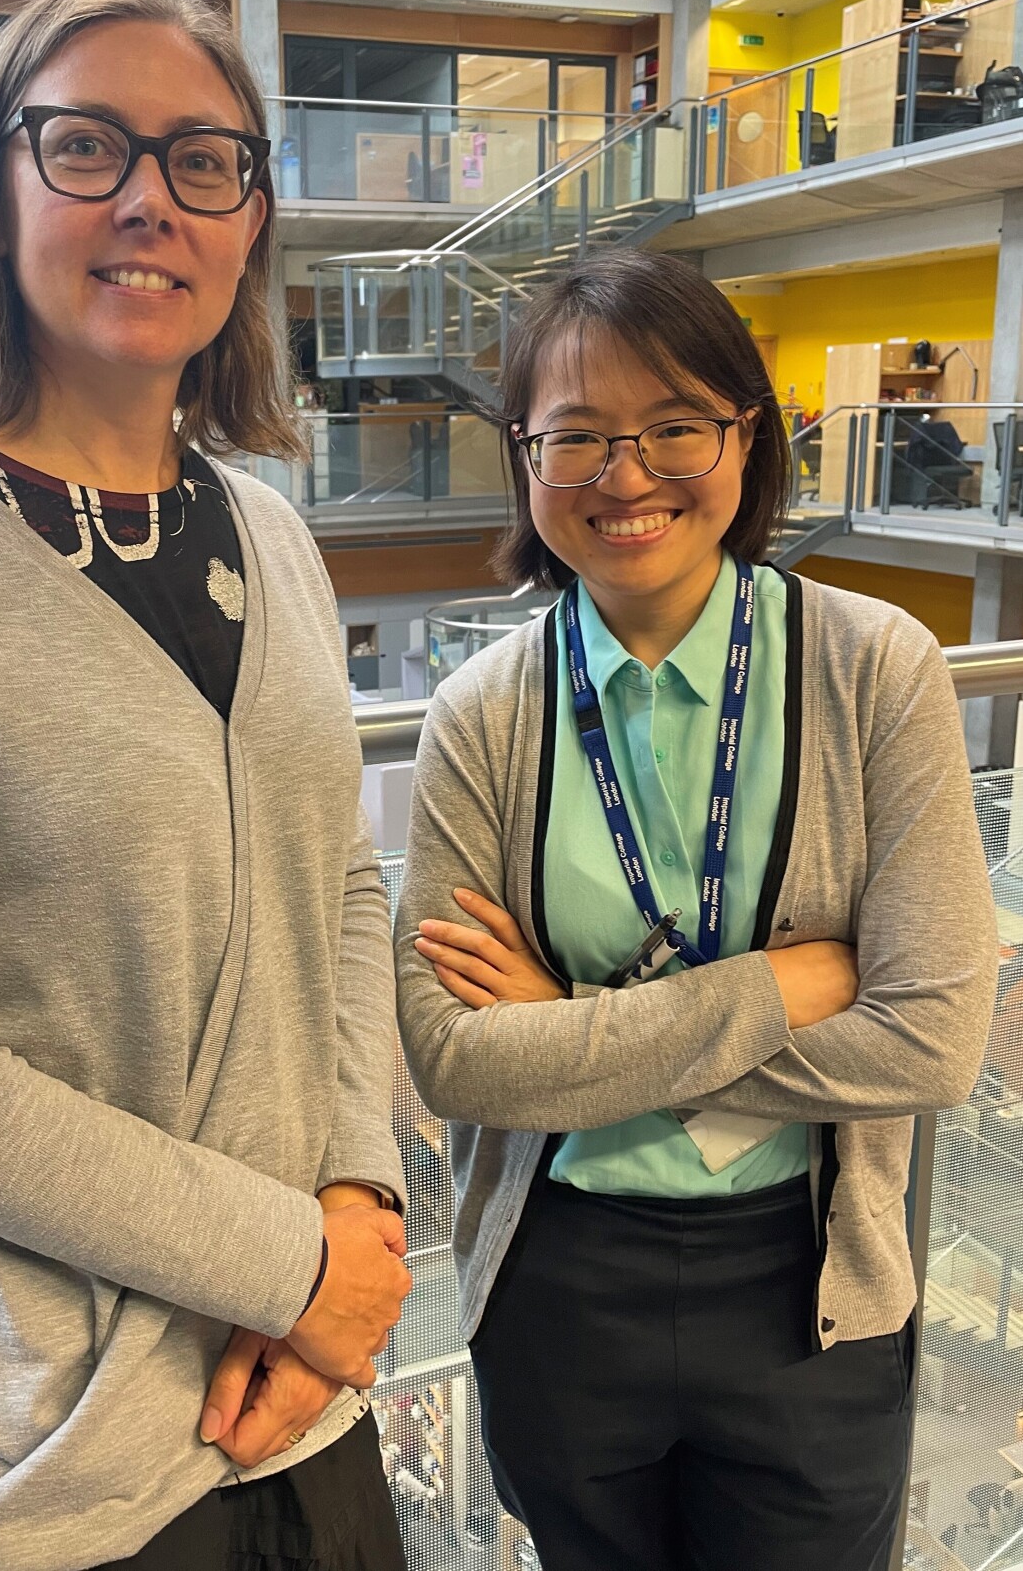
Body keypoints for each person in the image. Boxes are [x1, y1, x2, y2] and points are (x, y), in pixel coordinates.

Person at [0, 0, 412, 1571]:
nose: (149, 200)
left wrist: (364, 1206)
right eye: (86, 146)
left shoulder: (271, 531)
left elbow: (338, 879)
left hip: (290, 1397)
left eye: (205, 160)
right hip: (26, 1454)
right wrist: (292, 1260)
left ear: (251, 215)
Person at [394, 249, 997, 1571]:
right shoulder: (483, 717)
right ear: (523, 454)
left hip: (809, 1287)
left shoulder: (872, 671)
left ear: (745, 433)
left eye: (675, 425)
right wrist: (772, 990)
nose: (627, 473)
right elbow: (451, 1054)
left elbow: (934, 1042)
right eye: (579, 436)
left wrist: (576, 1031)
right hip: (563, 1281)